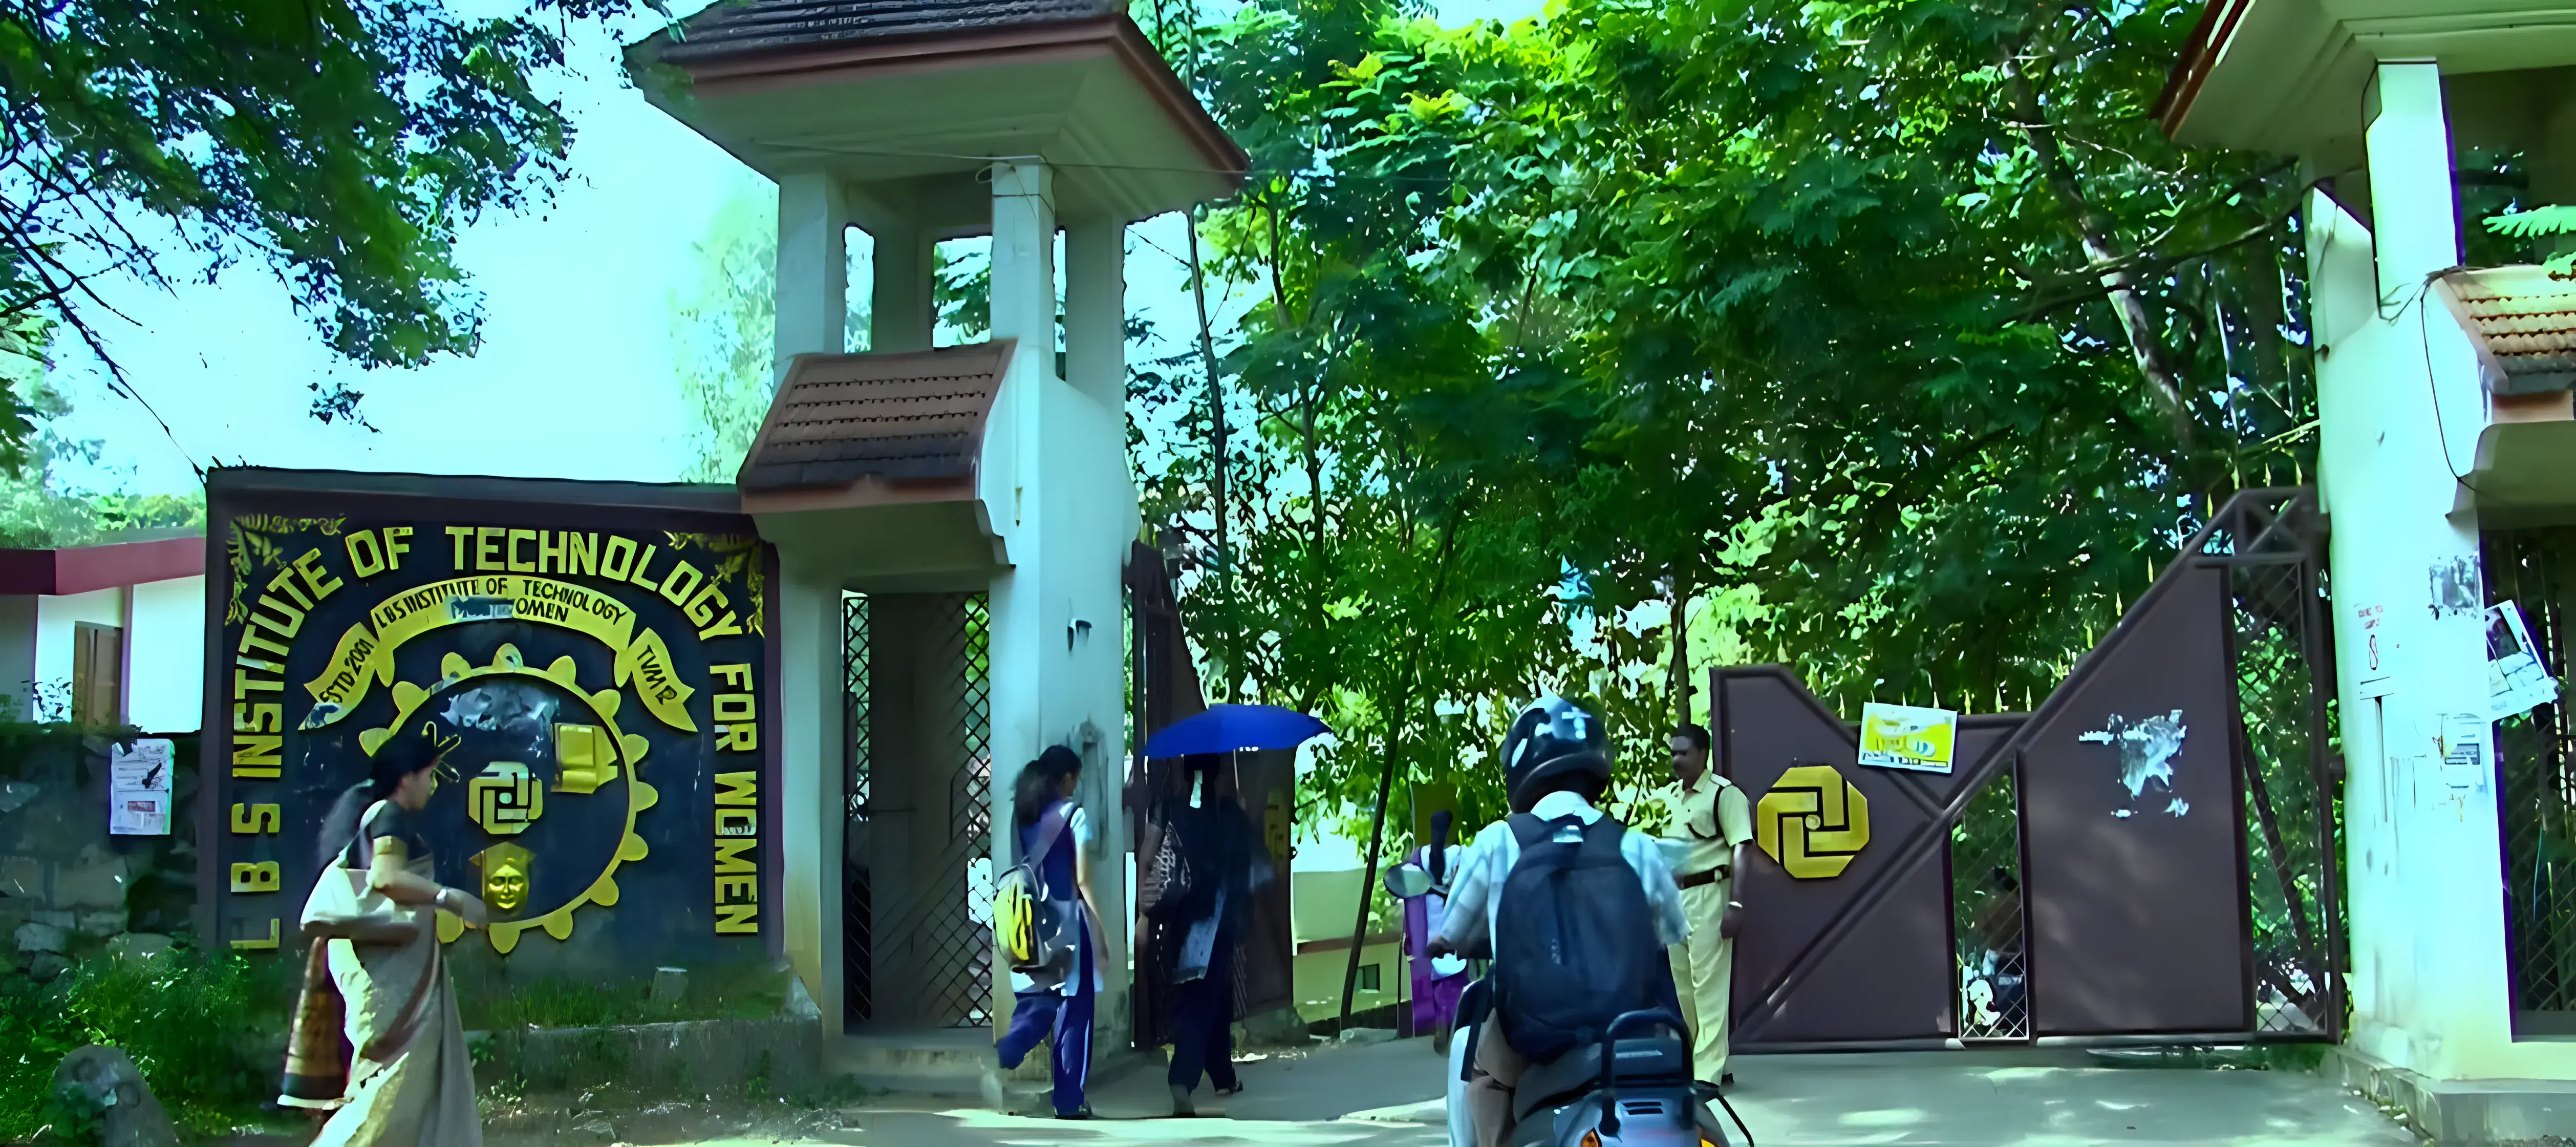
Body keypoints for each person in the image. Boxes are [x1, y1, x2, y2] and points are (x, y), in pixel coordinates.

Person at [1431, 696, 1688, 1147]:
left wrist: (1442, 942)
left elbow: (1452, 931)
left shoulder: (1498, 841)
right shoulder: (1636, 846)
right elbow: (1671, 932)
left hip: (1530, 1034)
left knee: (1480, 1076)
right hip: (1630, 1026)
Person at [281, 721, 490, 1147]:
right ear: (407, 776)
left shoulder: (373, 815)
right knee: (388, 1086)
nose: (432, 786)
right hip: (387, 974)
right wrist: (451, 898)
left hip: (382, 964)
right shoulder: (388, 814)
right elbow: (386, 877)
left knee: (402, 1085)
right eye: (429, 775)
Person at [1145, 753, 1268, 1117]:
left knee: (1215, 994)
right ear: (1217, 775)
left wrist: (1143, 911)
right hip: (1218, 923)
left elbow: (1148, 856)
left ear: (1186, 773)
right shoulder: (1229, 813)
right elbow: (1252, 867)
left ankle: (1223, 1075)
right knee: (1203, 999)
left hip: (1181, 920)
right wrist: (1241, 819)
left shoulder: (1167, 809)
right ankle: (1182, 1080)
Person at [988, 746, 1105, 1119]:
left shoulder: (1022, 816)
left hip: (1028, 925)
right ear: (1066, 778)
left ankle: (1009, 1049)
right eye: (1077, 778)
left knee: (1038, 1003)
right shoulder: (1075, 816)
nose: (1078, 785)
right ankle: (1070, 1102)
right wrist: (1100, 932)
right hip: (1070, 926)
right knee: (1076, 1011)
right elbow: (1083, 880)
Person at [1668, 723, 1754, 1090]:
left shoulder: (1724, 795)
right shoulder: (1671, 796)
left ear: (1703, 755)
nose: (1676, 760)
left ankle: (1707, 1074)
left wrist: (1736, 903)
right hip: (1675, 898)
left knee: (1709, 986)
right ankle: (1698, 1062)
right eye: (1673, 753)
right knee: (1683, 988)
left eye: (1684, 753)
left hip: (1709, 894)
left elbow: (1742, 847)